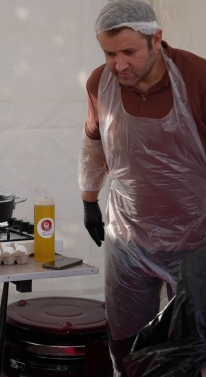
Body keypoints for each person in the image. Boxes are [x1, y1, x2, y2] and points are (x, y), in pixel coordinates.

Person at [78, 0, 206, 375]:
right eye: (109, 53)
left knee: (188, 349)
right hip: (128, 240)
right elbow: (93, 143)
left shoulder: (198, 78)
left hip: (195, 242)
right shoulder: (100, 82)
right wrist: (89, 199)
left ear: (157, 40)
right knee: (128, 346)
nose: (119, 65)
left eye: (129, 52)